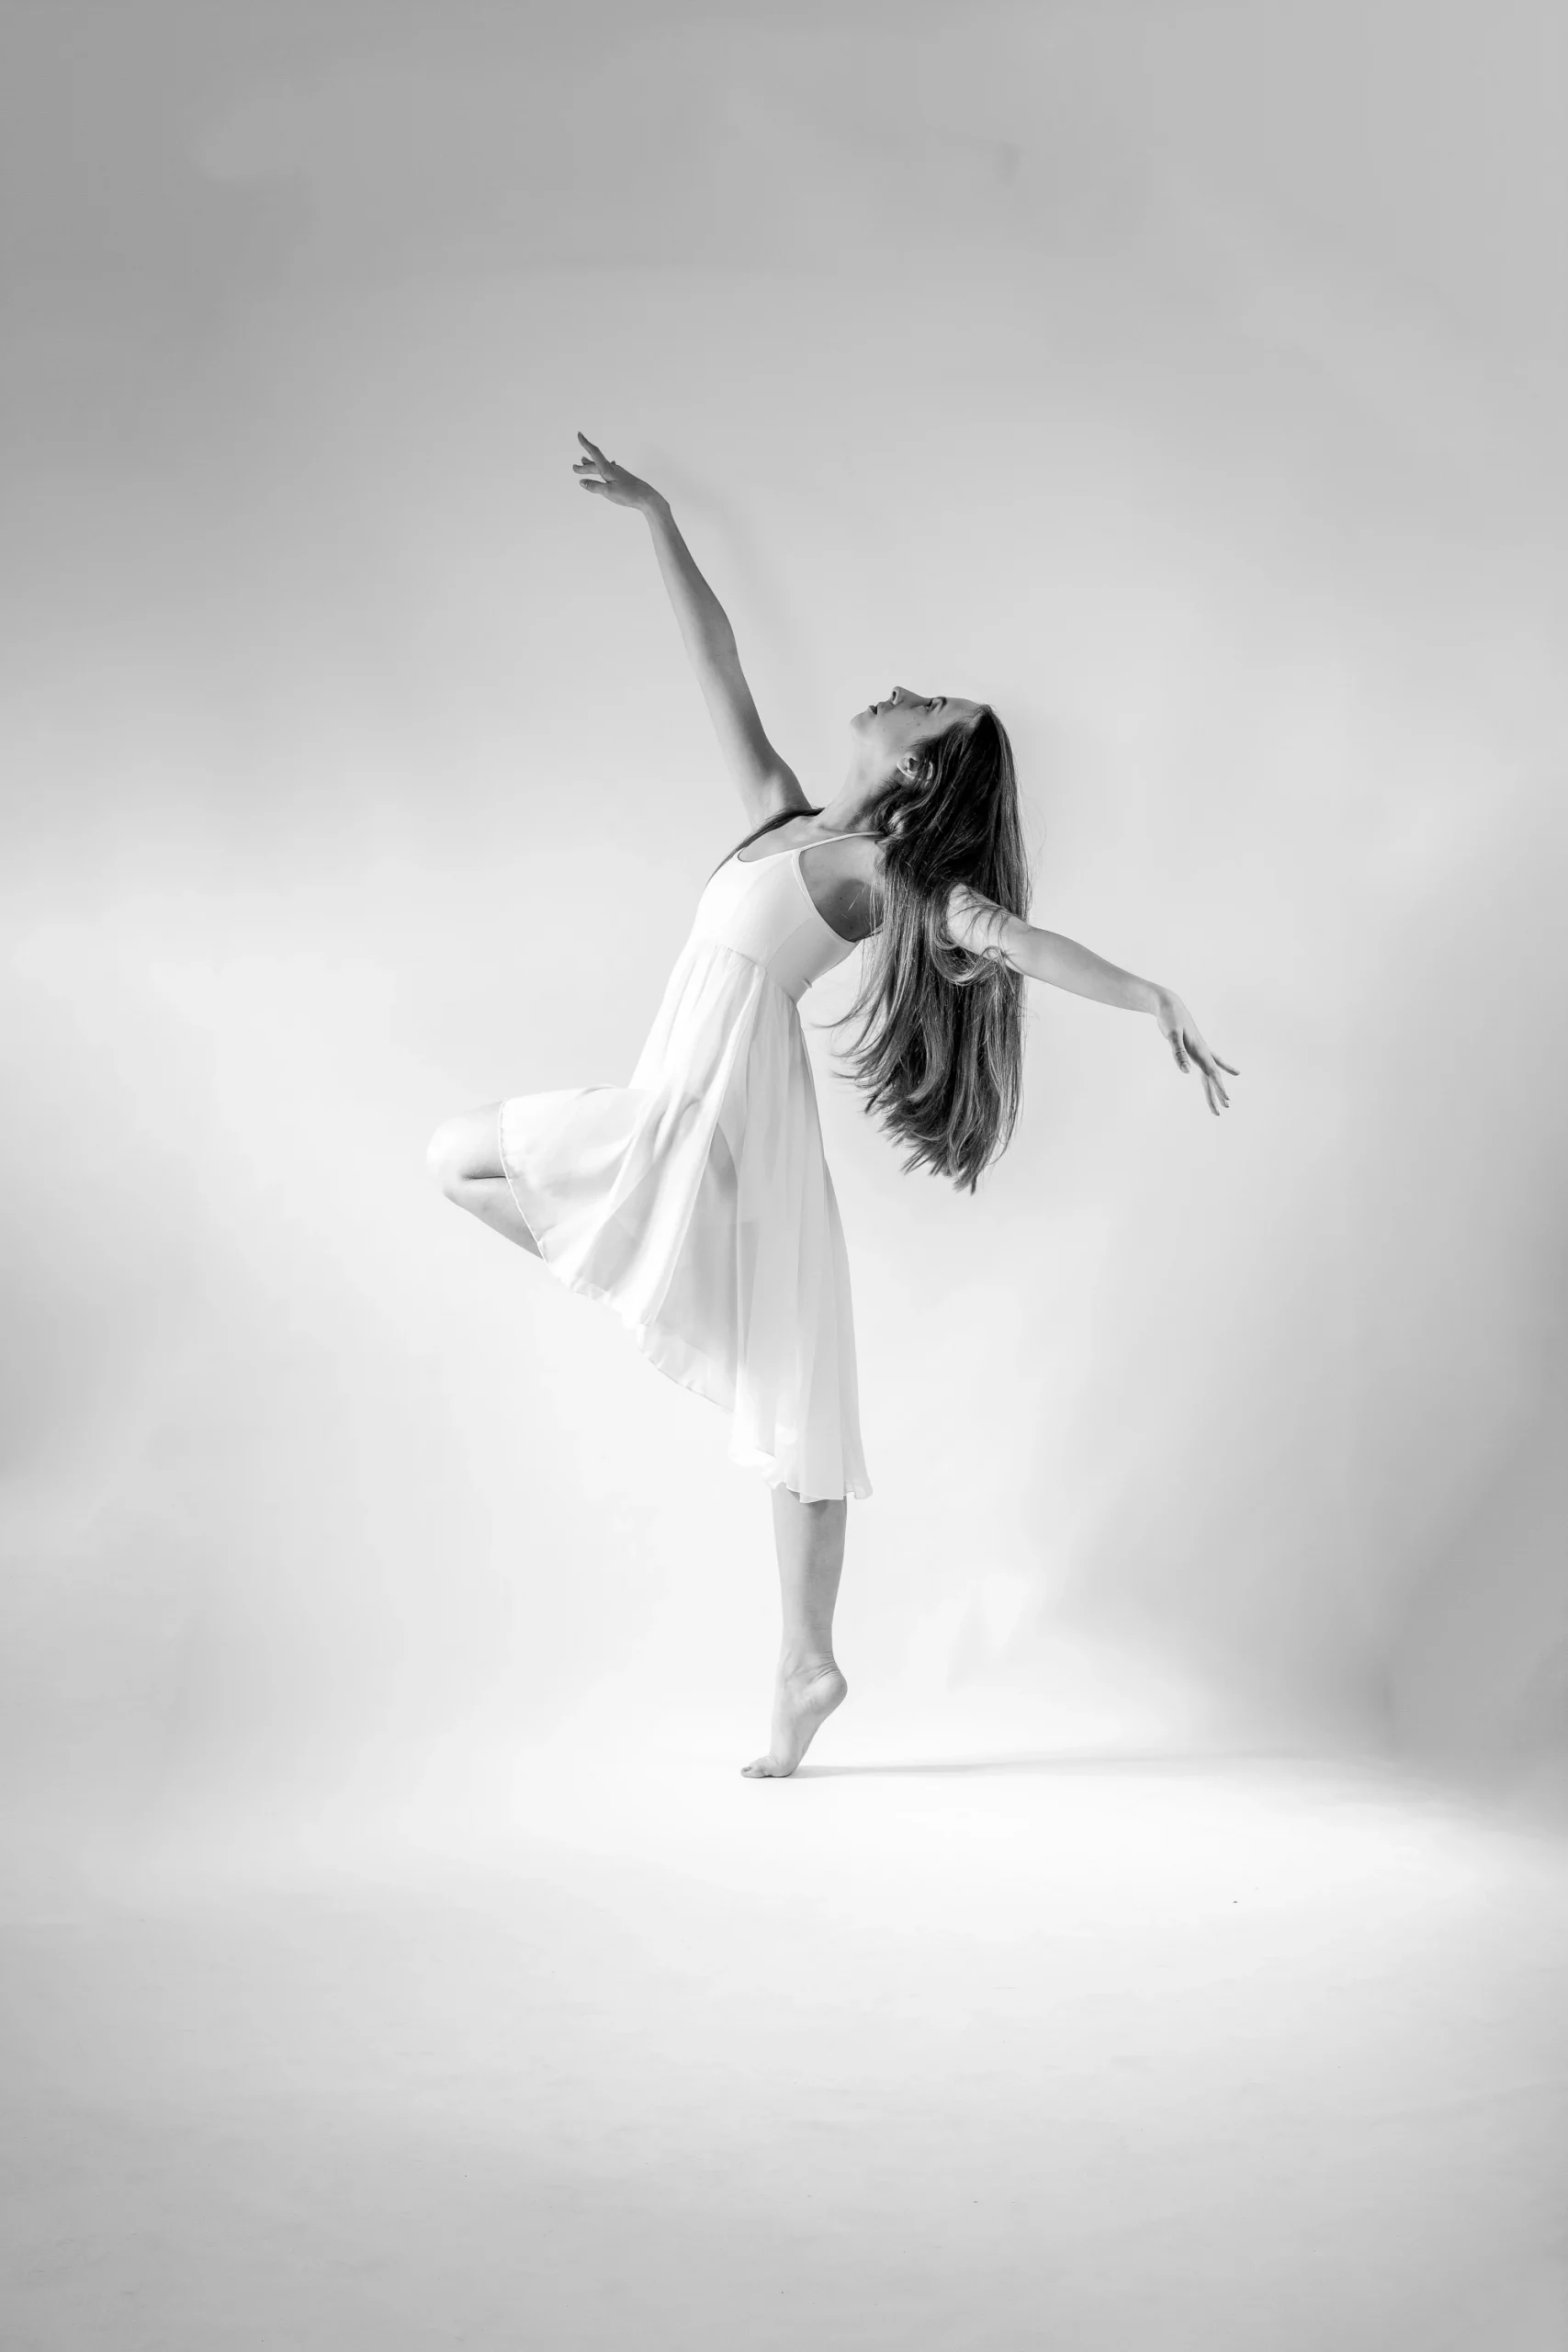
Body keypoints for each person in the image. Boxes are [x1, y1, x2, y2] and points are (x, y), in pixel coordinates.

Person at [427, 432, 1238, 1779]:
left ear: (922, 770)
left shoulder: (878, 875)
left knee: (496, 1184)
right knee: (747, 1349)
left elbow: (1013, 939)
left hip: (719, 1122)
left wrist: (1148, 994)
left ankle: (799, 1645)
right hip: (680, 1107)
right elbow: (718, 661)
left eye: (926, 707)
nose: (901, 692)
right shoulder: (781, 820)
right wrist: (657, 516)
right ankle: (804, 1655)